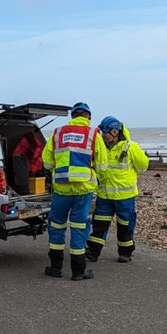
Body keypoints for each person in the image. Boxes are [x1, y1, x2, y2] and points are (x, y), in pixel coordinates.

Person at [40, 102, 108, 280]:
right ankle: (78, 271)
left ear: (73, 116)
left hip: (61, 188)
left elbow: (46, 162)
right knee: (79, 226)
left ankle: (55, 268)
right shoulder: (94, 134)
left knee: (56, 225)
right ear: (89, 116)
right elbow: (102, 165)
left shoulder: (57, 133)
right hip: (83, 189)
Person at [87, 116, 149, 263]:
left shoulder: (130, 147)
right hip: (105, 196)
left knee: (125, 225)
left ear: (115, 132)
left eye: (105, 132)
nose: (103, 135)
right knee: (99, 226)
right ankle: (93, 252)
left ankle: (125, 253)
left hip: (124, 197)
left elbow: (143, 166)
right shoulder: (101, 147)